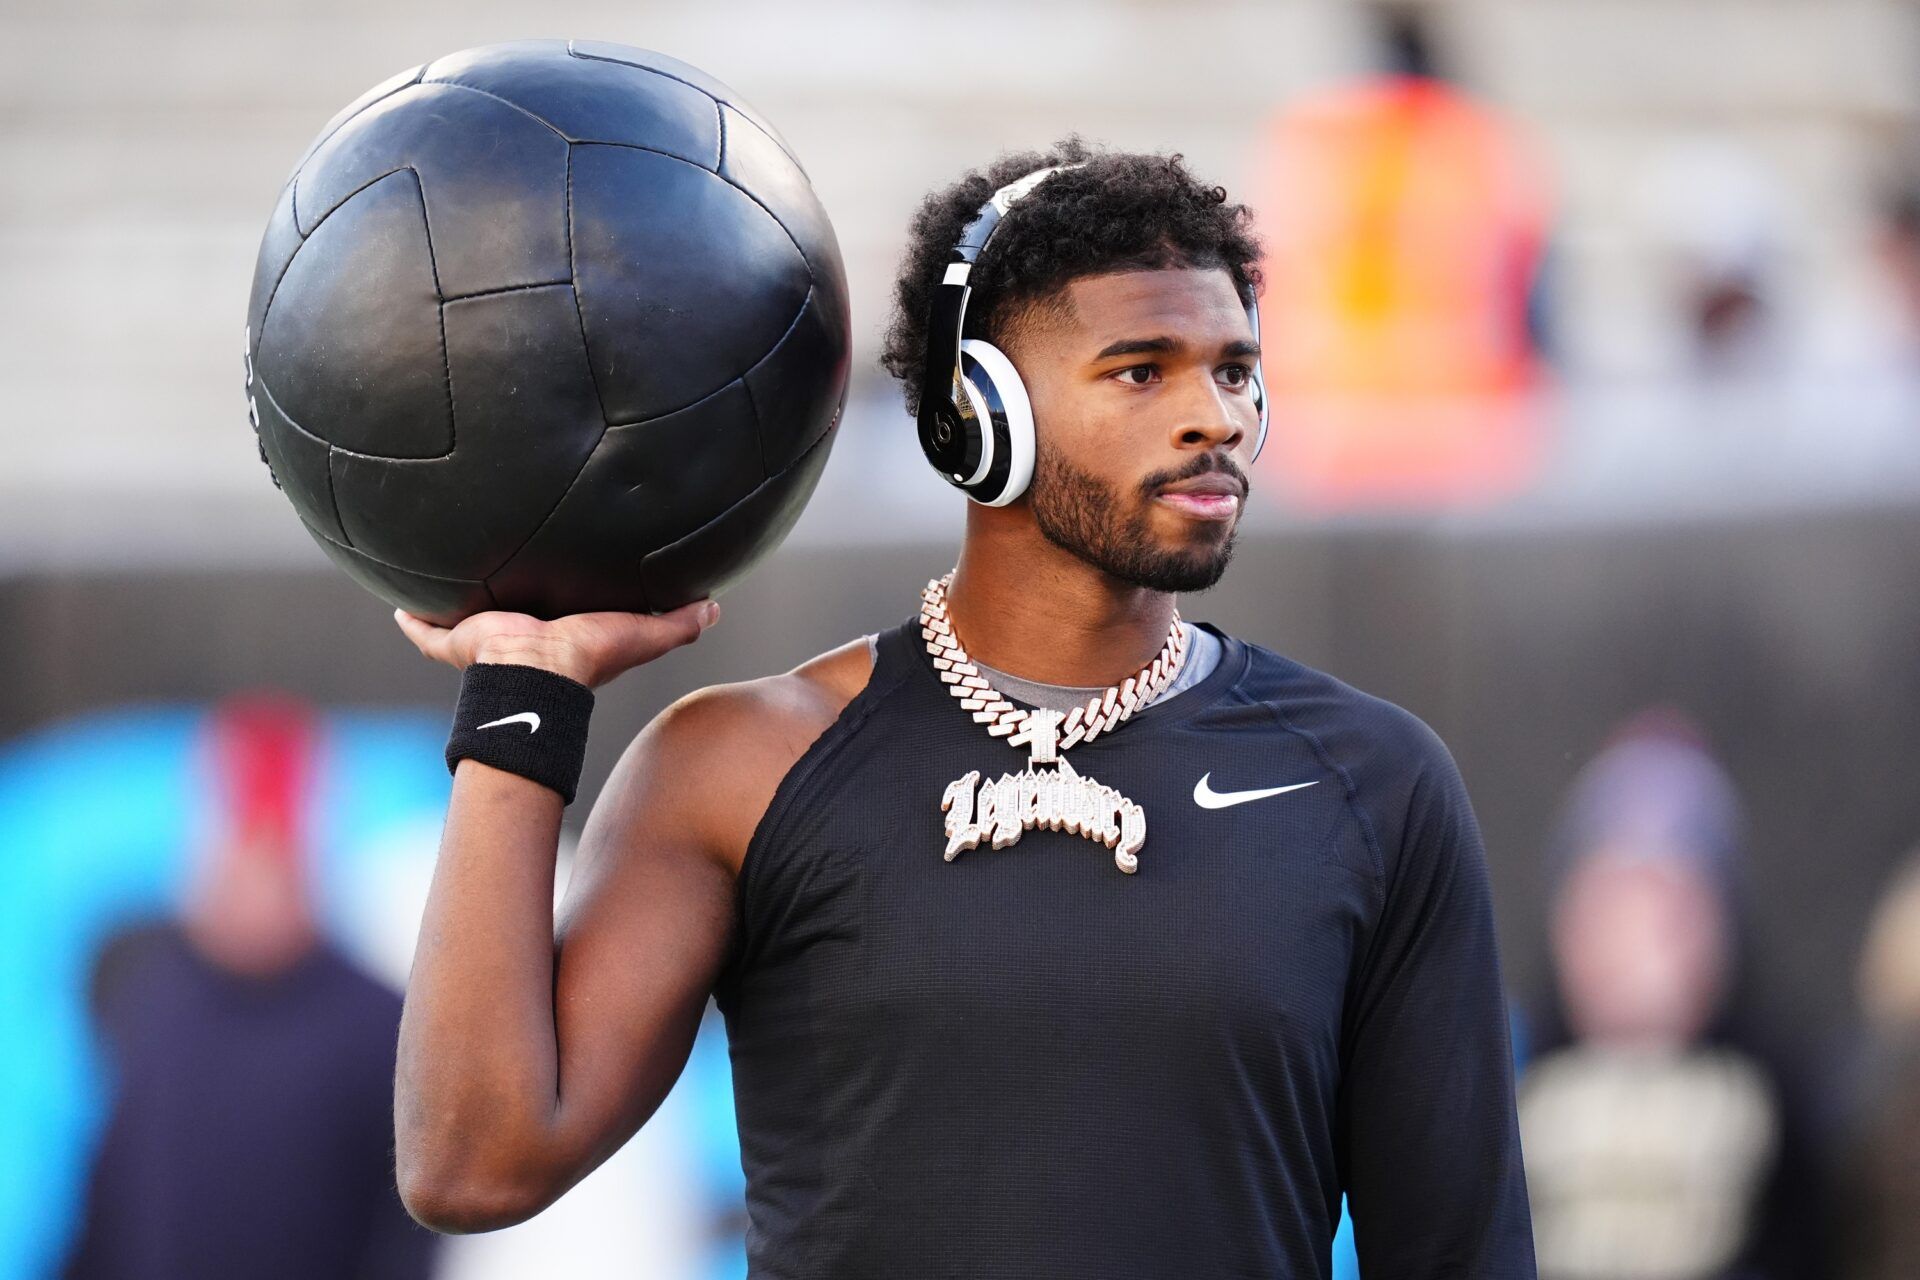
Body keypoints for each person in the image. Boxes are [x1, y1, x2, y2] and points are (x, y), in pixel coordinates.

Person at [391, 139, 1535, 1278]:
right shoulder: (742, 763)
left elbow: (1460, 1254)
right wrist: (520, 696)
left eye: (1235, 370)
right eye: (1143, 370)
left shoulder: (1372, 781)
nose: (1215, 418)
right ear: (976, 412)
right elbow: (471, 1161)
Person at [63, 695, 438, 1279]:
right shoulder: (151, 994)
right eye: (239, 858)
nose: (253, 889)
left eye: (274, 863)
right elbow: (110, 1193)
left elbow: (408, 1235)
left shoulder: (381, 1027)